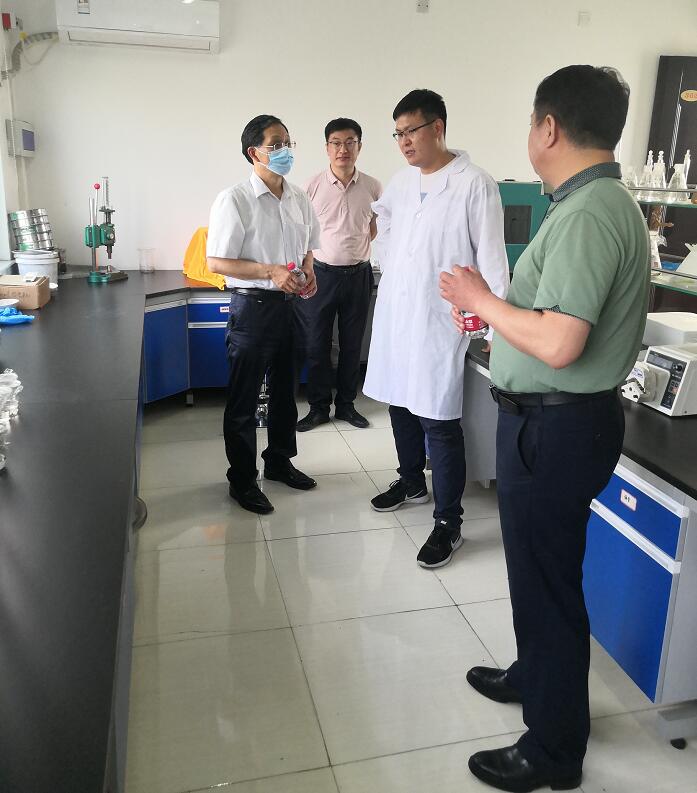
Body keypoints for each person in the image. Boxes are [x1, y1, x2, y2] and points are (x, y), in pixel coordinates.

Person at [440, 65, 650, 792]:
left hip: (556, 429)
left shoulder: (589, 213)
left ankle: (555, 749)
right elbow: (548, 323)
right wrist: (496, 318)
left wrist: (480, 298)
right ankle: (535, 675)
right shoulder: (588, 203)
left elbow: (561, 342)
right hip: (553, 423)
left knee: (548, 582)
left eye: (532, 122)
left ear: (549, 128)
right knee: (537, 574)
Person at [364, 89, 509, 568]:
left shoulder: (474, 183)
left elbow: (492, 258)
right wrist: (390, 262)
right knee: (399, 403)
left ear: (438, 128)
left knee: (439, 420)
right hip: (397, 314)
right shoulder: (402, 182)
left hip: (439, 321)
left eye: (411, 131)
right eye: (398, 134)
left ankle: (449, 522)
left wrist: (495, 325)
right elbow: (382, 223)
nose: (404, 142)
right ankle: (411, 482)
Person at [207, 114, 320, 515]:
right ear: (254, 152)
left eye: (288, 142)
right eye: (276, 144)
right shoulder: (235, 200)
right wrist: (270, 271)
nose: (285, 150)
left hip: (291, 308)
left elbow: (308, 247)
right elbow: (217, 262)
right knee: (244, 398)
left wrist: (308, 270)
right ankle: (241, 479)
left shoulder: (299, 197)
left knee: (286, 393)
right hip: (252, 309)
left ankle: (279, 462)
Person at [295, 118, 382, 431]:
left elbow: (373, 228)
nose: (343, 149)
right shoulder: (311, 187)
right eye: (336, 143)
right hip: (320, 275)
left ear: (359, 146)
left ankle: (346, 405)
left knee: (352, 344)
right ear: (327, 148)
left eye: (350, 142)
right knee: (316, 344)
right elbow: (301, 232)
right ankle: (318, 408)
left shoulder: (373, 187)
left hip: (358, 275)